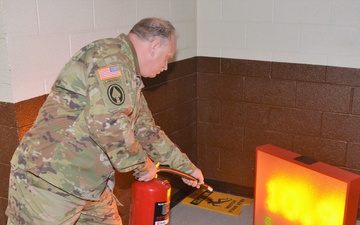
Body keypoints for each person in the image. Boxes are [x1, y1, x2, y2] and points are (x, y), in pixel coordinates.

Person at [6, 17, 204, 225]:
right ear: (154, 46)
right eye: (167, 58)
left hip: (89, 184)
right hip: (50, 181)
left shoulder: (128, 74)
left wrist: (186, 168)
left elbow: (146, 131)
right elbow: (109, 125)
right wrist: (143, 166)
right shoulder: (110, 60)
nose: (165, 67)